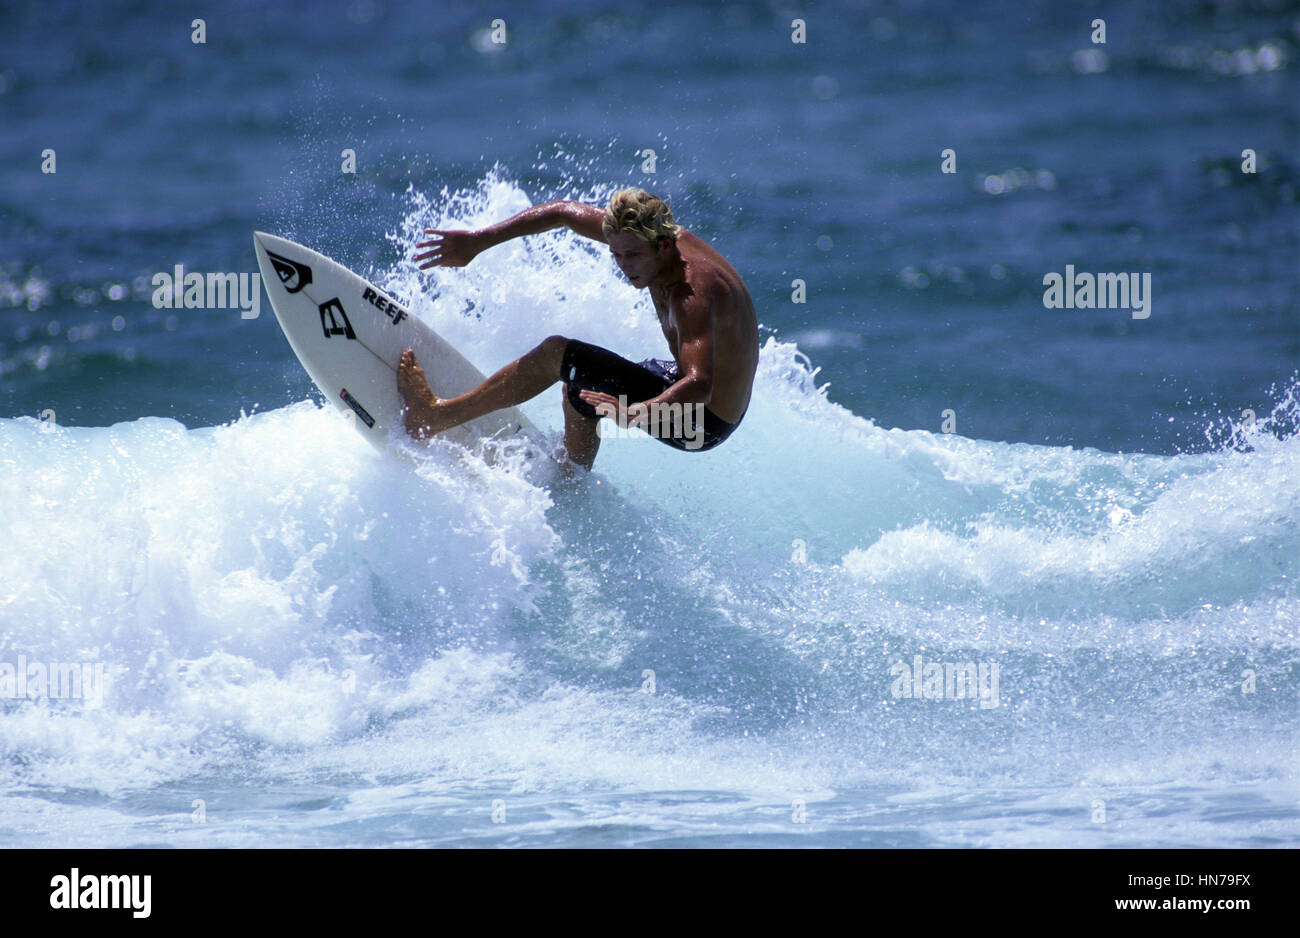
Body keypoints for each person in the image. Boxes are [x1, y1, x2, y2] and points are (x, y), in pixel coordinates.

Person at [399, 188, 758, 469]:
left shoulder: (688, 292)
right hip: (698, 394)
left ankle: (435, 416)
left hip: (702, 421)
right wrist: (479, 240)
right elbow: (561, 213)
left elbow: (700, 384)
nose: (623, 265)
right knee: (580, 385)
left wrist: (637, 413)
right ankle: (571, 477)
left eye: (631, 256)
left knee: (559, 354)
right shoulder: (643, 239)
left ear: (664, 246)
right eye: (615, 254)